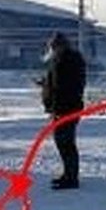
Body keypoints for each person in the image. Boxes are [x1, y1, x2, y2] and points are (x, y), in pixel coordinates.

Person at [40, 31, 87, 189]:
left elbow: (63, 85)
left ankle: (71, 178)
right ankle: (68, 174)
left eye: (53, 46)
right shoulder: (64, 60)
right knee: (64, 143)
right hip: (65, 107)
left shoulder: (66, 60)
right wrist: (45, 84)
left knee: (65, 143)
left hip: (66, 108)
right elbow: (56, 82)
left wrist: (53, 98)